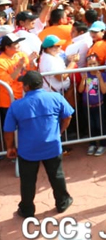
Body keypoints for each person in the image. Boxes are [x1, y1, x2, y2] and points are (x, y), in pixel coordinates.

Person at [3, 71, 74, 218]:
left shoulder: (16, 105)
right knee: (57, 176)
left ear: (27, 87)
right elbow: (68, 116)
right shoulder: (55, 97)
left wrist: (10, 147)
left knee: (28, 181)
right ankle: (62, 202)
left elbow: (8, 130)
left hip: (28, 151)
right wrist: (59, 132)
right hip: (52, 147)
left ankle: (27, 209)